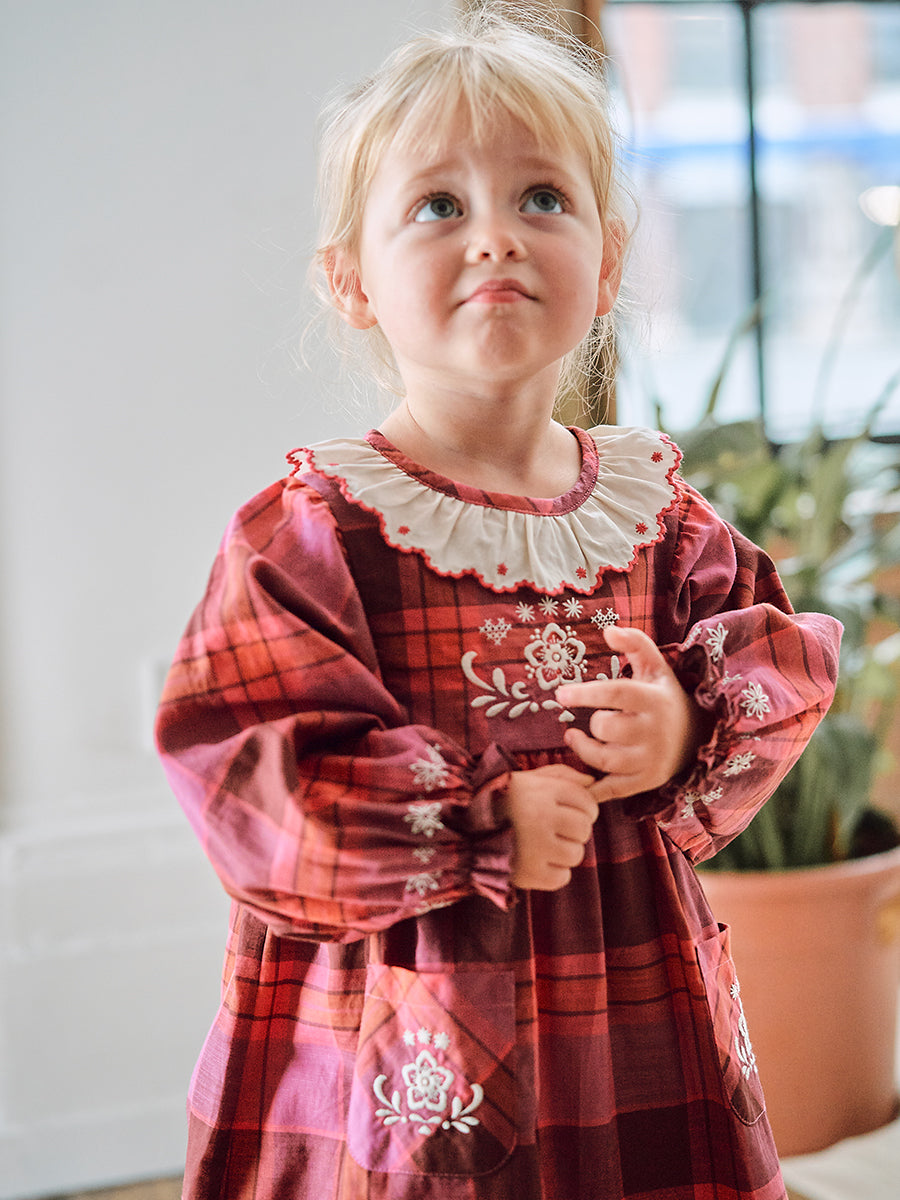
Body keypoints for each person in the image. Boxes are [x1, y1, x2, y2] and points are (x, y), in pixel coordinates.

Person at [155, 7, 841, 1199]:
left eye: (542, 198)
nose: (496, 238)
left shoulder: (655, 515)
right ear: (351, 281)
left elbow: (778, 664)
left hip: (632, 996)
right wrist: (473, 822)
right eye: (438, 205)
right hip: (407, 1016)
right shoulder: (316, 532)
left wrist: (682, 723)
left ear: (608, 263)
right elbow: (248, 775)